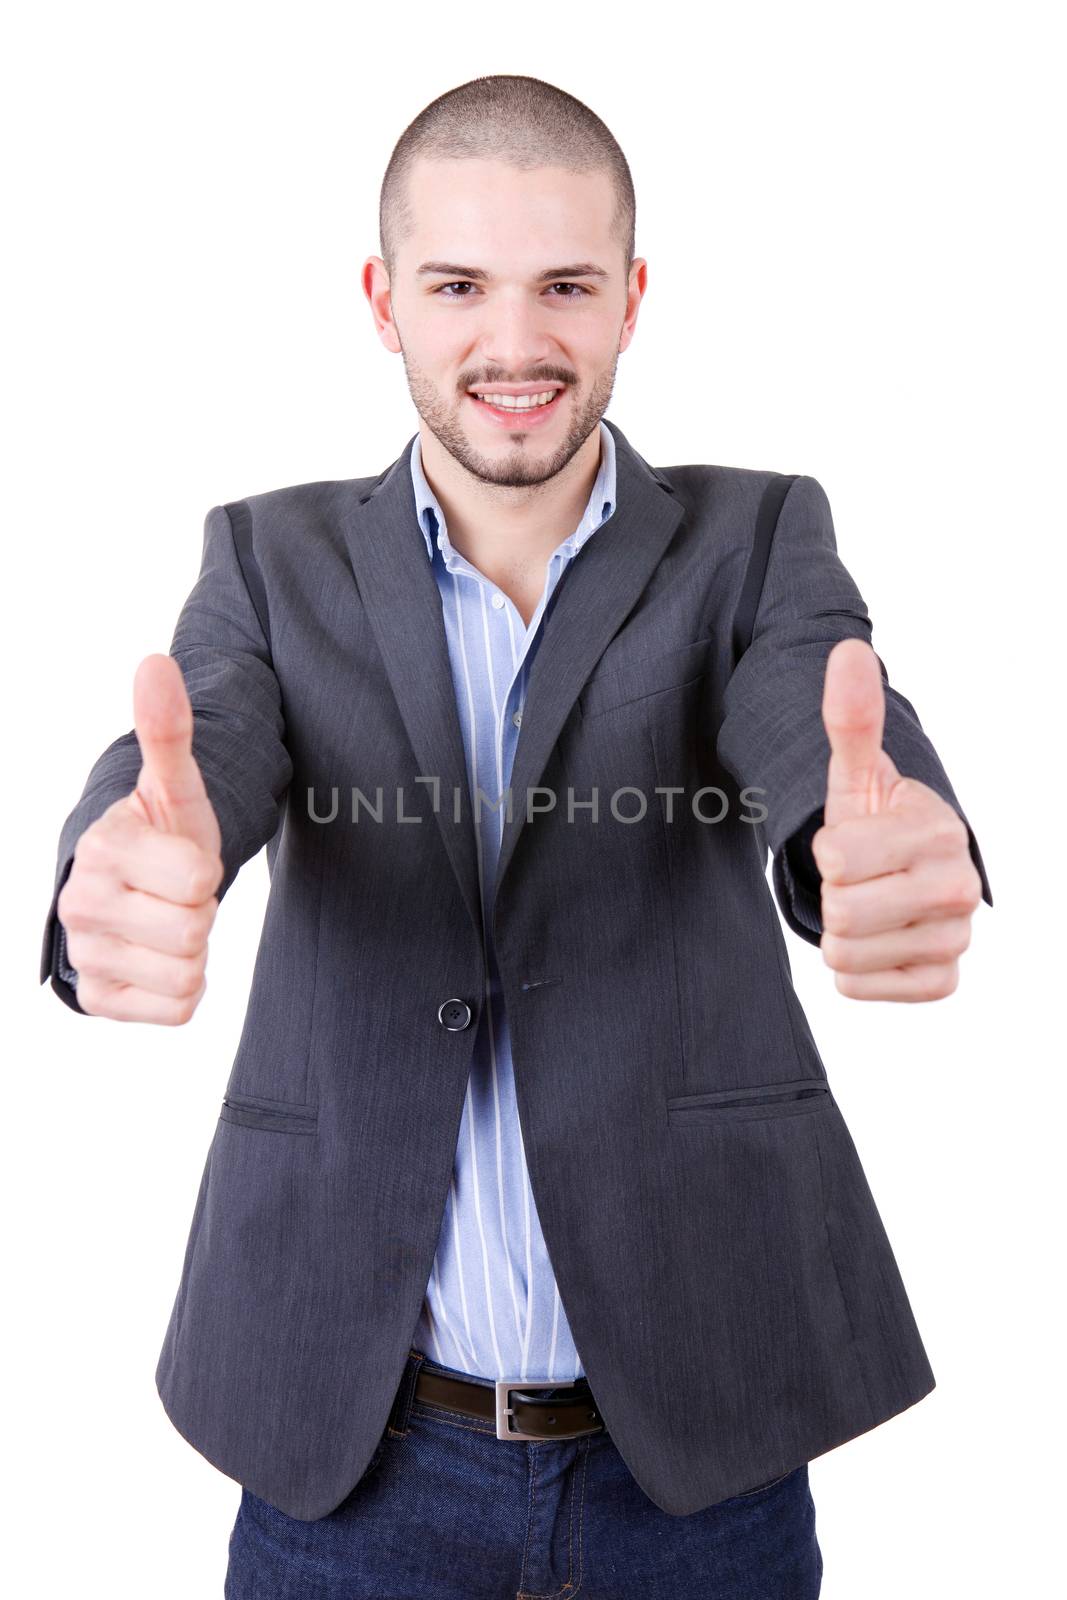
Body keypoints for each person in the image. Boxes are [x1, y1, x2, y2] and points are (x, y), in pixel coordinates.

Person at [41, 74, 992, 1599]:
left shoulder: (753, 538)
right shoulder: (268, 560)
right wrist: (132, 863)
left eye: (564, 286)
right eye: (457, 286)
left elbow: (820, 706)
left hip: (694, 1469)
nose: (513, 343)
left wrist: (859, 847)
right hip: (351, 1462)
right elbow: (202, 738)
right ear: (384, 301)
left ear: (631, 299)